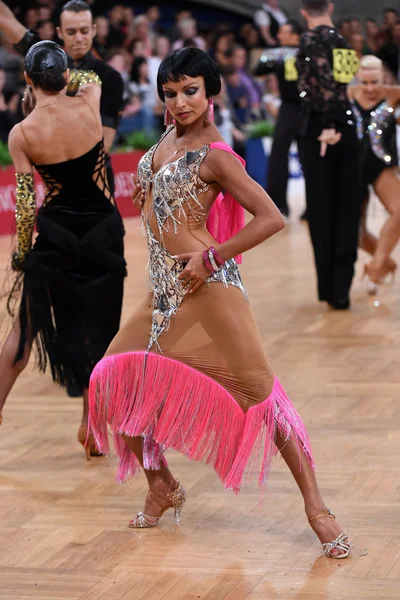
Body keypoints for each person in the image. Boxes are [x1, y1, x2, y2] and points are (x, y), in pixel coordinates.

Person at [88, 48, 351, 560]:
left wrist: (212, 257)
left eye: (190, 91)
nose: (180, 102)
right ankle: (161, 484)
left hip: (209, 290)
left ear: (212, 93)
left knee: (261, 396)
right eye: (170, 93)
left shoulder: (213, 154)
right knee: (111, 378)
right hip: (163, 292)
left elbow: (271, 217)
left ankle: (317, 508)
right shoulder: (165, 139)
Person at [0, 41, 126, 456]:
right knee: (101, 335)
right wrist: (69, 74)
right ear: (66, 77)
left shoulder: (22, 133)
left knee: (22, 335)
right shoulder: (89, 102)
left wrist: (21, 252)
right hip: (104, 234)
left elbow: (25, 203)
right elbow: (88, 78)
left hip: (56, 238)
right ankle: (92, 430)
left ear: (28, 79)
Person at [296, 0, 361, 310]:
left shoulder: (306, 41)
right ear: (331, 7)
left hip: (317, 131)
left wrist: (327, 123)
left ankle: (328, 288)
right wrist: (338, 121)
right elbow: (344, 87)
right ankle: (341, 289)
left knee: (321, 210)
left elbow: (309, 92)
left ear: (303, 11)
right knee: (348, 208)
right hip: (346, 129)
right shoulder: (344, 41)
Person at [348, 55, 400, 294]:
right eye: (364, 82)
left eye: (375, 82)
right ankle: (386, 264)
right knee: (356, 232)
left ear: (384, 78)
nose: (369, 88)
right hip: (352, 167)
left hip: (382, 166)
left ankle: (377, 265)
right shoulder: (348, 95)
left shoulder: (393, 94)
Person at [254, 19, 304, 218]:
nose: (279, 36)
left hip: (309, 108)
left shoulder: (307, 52)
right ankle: (278, 206)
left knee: (310, 157)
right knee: (277, 154)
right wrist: (272, 55)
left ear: (295, 35)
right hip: (289, 107)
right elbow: (258, 70)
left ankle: (314, 209)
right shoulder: (278, 53)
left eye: (284, 32)